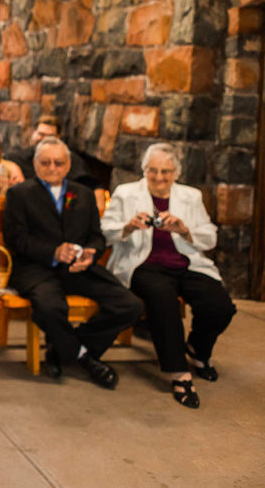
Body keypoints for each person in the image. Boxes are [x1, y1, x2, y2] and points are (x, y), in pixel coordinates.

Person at [102, 143, 236, 409]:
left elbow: (209, 237)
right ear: (144, 170)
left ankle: (198, 349)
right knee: (163, 298)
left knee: (220, 305)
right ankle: (179, 373)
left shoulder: (191, 196)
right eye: (153, 171)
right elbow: (105, 230)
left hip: (185, 263)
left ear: (176, 172)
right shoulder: (126, 193)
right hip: (142, 264)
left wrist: (185, 230)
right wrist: (128, 226)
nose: (160, 177)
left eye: (166, 171)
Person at [2, 138, 143, 389]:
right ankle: (85, 359)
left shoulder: (84, 194)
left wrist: (91, 252)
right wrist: (53, 252)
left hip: (79, 268)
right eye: (45, 163)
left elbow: (96, 236)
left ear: (68, 165)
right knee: (49, 308)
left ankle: (62, 350)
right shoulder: (18, 194)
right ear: (35, 164)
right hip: (36, 269)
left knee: (130, 305)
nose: (52, 168)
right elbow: (17, 239)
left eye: (59, 163)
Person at [6, 115, 98, 190]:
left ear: (59, 137)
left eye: (50, 136)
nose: (44, 140)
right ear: (33, 133)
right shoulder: (17, 159)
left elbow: (94, 186)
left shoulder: (72, 159)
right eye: (41, 134)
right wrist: (12, 166)